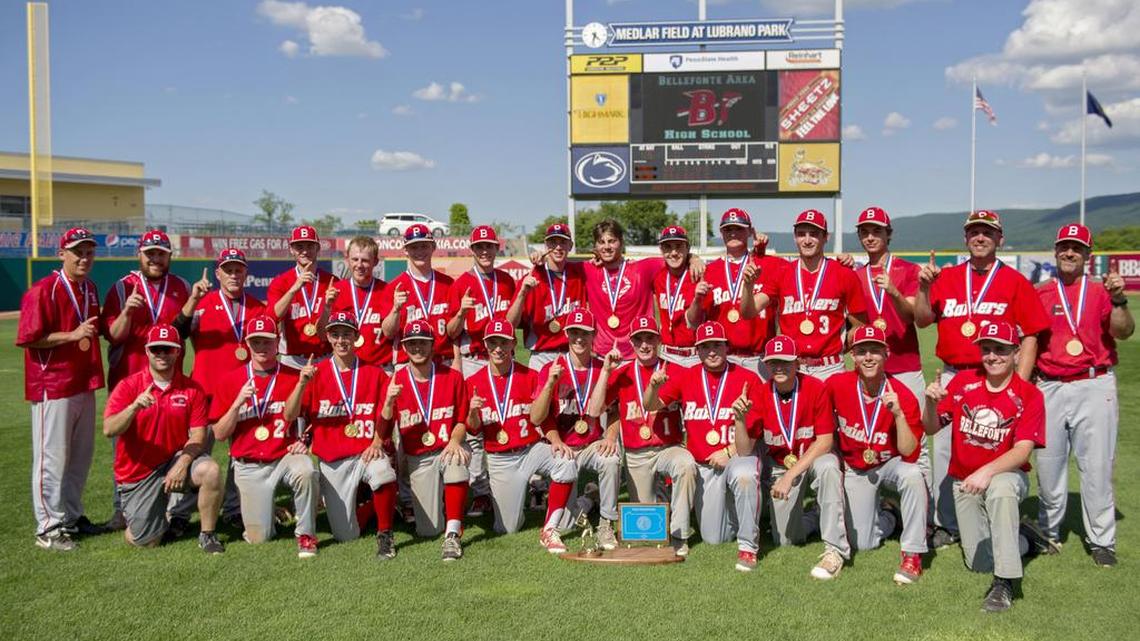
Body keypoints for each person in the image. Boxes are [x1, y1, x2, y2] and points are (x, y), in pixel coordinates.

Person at [914, 209, 1049, 549]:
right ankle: (946, 524)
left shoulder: (1015, 281)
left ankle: (998, 518)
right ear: (965, 238)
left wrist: (1019, 384)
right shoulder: (946, 277)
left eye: (987, 232)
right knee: (946, 453)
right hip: (955, 374)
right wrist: (923, 288)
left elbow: (1031, 333)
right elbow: (922, 319)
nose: (980, 237)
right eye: (974, 231)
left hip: (996, 378)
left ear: (999, 239)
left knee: (993, 448)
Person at [923, 321, 1045, 613]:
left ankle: (1004, 584)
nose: (992, 356)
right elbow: (930, 427)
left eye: (1000, 350)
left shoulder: (1029, 394)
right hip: (965, 482)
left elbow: (1023, 451)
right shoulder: (964, 383)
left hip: (1005, 475)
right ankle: (1025, 538)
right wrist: (929, 403)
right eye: (986, 349)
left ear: (1016, 353)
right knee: (978, 563)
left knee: (1002, 488)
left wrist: (988, 471)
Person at [1032, 223, 1134, 567]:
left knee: (1096, 465)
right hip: (1049, 384)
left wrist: (1119, 299)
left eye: (1077, 248)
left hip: (1094, 382)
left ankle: (1101, 539)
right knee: (1048, 465)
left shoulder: (1102, 292)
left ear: (1088, 255)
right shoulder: (1041, 292)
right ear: (1055, 251)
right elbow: (1027, 341)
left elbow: (1123, 331)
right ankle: (1049, 532)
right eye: (1064, 247)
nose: (1070, 253)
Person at [643, 321, 763, 572]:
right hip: (704, 464)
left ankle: (748, 547)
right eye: (705, 346)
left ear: (726, 347)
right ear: (697, 350)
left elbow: (755, 434)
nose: (711, 351)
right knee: (714, 537)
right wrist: (653, 387)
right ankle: (743, 512)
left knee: (744, 475)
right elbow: (651, 406)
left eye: (717, 345)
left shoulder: (748, 378)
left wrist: (729, 451)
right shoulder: (687, 377)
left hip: (737, 455)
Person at [283, 312, 399, 558]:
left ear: (356, 337)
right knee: (346, 535)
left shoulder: (374, 373)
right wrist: (301, 383)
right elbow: (290, 415)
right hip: (333, 459)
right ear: (328, 337)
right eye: (336, 334)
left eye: (347, 334)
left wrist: (378, 442)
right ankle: (370, 506)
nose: (341, 340)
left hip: (364, 453)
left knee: (384, 473)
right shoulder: (316, 373)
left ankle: (385, 534)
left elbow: (386, 417)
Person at [18, 228, 106, 549]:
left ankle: (70, 516)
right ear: (62, 254)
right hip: (52, 384)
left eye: (88, 252)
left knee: (80, 457)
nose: (84, 258)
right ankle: (48, 528)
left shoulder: (90, 288)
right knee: (52, 458)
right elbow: (29, 337)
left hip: (85, 380)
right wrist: (71, 335)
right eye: (77, 252)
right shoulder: (43, 290)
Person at [101, 324, 224, 553]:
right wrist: (134, 407)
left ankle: (207, 534)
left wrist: (182, 464)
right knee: (147, 541)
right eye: (156, 349)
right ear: (147, 351)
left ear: (178, 351)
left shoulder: (191, 388)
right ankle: (151, 516)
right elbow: (109, 429)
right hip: (139, 471)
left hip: (173, 459)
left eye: (168, 349)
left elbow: (198, 434)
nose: (162, 354)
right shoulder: (129, 386)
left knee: (211, 470)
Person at [100, 229, 191, 529]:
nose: (155, 258)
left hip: (169, 380)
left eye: (160, 253)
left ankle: (172, 508)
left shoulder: (181, 286)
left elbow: (185, 330)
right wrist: (127, 310)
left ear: (169, 256)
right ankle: (121, 508)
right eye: (149, 253)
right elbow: (113, 335)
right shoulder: (123, 287)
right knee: (126, 444)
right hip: (129, 379)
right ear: (139, 255)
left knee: (172, 442)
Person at [741, 335, 850, 580]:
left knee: (829, 466)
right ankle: (816, 515)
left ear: (798, 363)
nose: (779, 368)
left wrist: (790, 475)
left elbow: (824, 442)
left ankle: (835, 551)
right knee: (786, 539)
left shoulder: (815, 387)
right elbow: (745, 449)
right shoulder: (760, 392)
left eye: (786, 362)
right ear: (766, 365)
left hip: (810, 461)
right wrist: (740, 420)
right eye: (773, 362)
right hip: (780, 466)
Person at [465, 318, 579, 552]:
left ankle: (549, 528)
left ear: (513, 344)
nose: (498, 348)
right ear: (486, 345)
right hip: (500, 458)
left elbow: (542, 417)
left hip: (531, 450)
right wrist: (472, 411)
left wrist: (556, 440)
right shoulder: (474, 381)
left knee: (566, 462)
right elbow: (473, 428)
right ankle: (520, 501)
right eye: (493, 342)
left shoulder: (529, 374)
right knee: (508, 528)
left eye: (504, 343)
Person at [210, 315, 319, 557]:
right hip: (250, 464)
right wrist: (237, 404)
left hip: (284, 456)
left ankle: (306, 535)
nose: (261, 348)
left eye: (267, 342)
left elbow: (314, 418)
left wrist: (305, 441)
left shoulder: (293, 375)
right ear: (247, 344)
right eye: (256, 342)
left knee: (306, 470)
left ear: (277, 342)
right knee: (260, 538)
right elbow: (219, 434)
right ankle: (272, 512)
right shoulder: (230, 381)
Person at [172, 247, 263, 534]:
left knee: (241, 453)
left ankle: (235, 509)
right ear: (218, 273)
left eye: (238, 269)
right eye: (228, 269)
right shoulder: (202, 303)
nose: (234, 275)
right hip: (205, 392)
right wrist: (192, 300)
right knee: (195, 450)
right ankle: (179, 514)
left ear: (246, 273)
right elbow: (177, 332)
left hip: (242, 393)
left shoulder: (256, 307)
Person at [828, 326, 927, 584]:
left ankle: (913, 553)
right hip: (856, 466)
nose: (868, 357)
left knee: (914, 475)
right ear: (852, 356)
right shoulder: (837, 385)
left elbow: (908, 451)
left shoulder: (902, 393)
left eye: (875, 351)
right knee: (863, 543)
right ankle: (889, 516)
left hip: (890, 463)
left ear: (887, 354)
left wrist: (898, 415)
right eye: (861, 352)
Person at [601, 315, 697, 555]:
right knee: (649, 526)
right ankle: (661, 497)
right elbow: (597, 408)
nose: (645, 345)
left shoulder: (674, 371)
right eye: (639, 339)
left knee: (685, 464)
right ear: (631, 343)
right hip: (636, 454)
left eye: (650, 338)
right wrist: (605, 371)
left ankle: (680, 534)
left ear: (660, 341)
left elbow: (654, 405)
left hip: (668, 448)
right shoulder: (622, 372)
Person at [852, 206, 931, 490]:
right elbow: (855, 323)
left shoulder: (908, 270)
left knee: (916, 444)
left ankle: (925, 516)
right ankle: (881, 505)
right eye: (865, 232)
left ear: (889, 234)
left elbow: (915, 318)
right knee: (869, 436)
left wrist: (893, 292)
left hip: (905, 367)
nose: (870, 237)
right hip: (869, 371)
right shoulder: (856, 276)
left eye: (877, 231)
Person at [380, 320, 472, 561]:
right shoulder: (396, 380)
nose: (417, 348)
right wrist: (388, 403)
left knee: (457, 461)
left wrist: (455, 440)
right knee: (428, 530)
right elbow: (384, 429)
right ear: (404, 347)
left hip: (445, 447)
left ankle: (453, 534)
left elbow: (462, 420)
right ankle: (441, 507)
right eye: (412, 343)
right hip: (417, 457)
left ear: (432, 346)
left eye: (423, 343)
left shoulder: (452, 377)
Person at [530, 309, 622, 549]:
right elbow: (538, 417)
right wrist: (555, 439)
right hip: (563, 447)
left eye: (584, 333)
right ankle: (590, 498)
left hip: (591, 444)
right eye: (574, 333)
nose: (579, 338)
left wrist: (610, 436)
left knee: (611, 458)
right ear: (567, 335)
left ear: (594, 336)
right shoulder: (553, 368)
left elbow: (613, 410)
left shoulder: (604, 367)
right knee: (568, 523)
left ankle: (606, 524)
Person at [745, 209, 867, 380]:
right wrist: (747, 287)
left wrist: (840, 347)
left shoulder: (844, 274)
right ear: (795, 237)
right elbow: (749, 311)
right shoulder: (782, 273)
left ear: (826, 237)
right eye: (802, 234)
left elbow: (860, 324)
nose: (807, 240)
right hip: (793, 367)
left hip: (830, 369)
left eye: (814, 234)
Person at [448, 225, 515, 516]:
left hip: (502, 357)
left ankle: (513, 482)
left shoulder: (508, 281)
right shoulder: (461, 283)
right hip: (474, 357)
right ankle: (480, 490)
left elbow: (516, 323)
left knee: (508, 415)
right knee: (474, 425)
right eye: (480, 247)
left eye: (490, 246)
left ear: (496, 249)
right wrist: (462, 312)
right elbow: (451, 332)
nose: (485, 251)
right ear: (472, 250)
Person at [582, 218, 702, 360]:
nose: (607, 247)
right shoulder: (587, 269)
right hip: (601, 355)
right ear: (595, 246)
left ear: (621, 242)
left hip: (638, 355)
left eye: (612, 241)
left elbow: (674, 256)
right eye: (601, 242)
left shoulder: (643, 268)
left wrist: (694, 258)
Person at [695, 208, 786, 376]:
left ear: (751, 232)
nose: (733, 233)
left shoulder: (770, 265)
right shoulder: (709, 271)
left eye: (739, 228)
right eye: (728, 229)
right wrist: (692, 257)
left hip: (761, 358)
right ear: (721, 233)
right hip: (724, 358)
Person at [508, 222, 587, 371]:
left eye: (563, 242)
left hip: (573, 354)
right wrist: (522, 294)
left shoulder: (580, 273)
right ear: (545, 245)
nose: (558, 247)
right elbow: (510, 324)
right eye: (552, 242)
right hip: (541, 356)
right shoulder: (533, 277)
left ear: (570, 245)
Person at [379, 223, 459, 367]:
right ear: (405, 250)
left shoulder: (448, 284)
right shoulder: (394, 287)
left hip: (443, 361)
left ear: (433, 247)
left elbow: (456, 332)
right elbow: (388, 333)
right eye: (414, 247)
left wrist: (457, 361)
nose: (419, 251)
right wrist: (396, 309)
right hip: (408, 363)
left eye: (424, 246)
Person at [266, 225, 337, 369]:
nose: (305, 251)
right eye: (299, 246)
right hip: (292, 360)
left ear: (318, 248)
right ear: (291, 249)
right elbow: (272, 317)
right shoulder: (281, 282)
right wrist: (294, 289)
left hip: (326, 358)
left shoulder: (332, 281)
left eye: (310, 246)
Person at [329, 236, 393, 370]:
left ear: (375, 261)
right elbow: (324, 334)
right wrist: (326, 307)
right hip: (346, 368)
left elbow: (392, 332)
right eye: (354, 259)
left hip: (381, 369)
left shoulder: (388, 290)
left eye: (365, 260)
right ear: (347, 260)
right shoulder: (336, 291)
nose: (359, 265)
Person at [652, 225, 700, 367]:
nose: (673, 252)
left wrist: (695, 259)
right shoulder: (658, 276)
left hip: (695, 355)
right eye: (667, 247)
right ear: (661, 250)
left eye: (679, 246)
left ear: (687, 248)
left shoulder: (698, 274)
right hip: (666, 354)